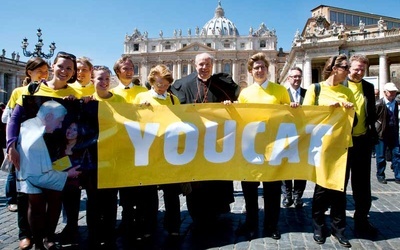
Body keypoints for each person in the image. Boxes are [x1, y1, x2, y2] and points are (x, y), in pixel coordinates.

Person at [7, 51, 81, 249]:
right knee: (35, 200)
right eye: (60, 66)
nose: (64, 71)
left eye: (69, 68)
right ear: (52, 66)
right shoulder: (33, 89)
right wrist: (10, 145)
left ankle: (49, 237)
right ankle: (37, 240)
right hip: (31, 154)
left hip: (58, 154)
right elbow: (14, 119)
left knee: (55, 198)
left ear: (73, 72)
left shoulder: (76, 94)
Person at [170, 52, 240, 227]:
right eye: (201, 64)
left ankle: (216, 211)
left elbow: (242, 100)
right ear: (195, 65)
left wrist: (232, 105)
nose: (204, 67)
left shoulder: (222, 83)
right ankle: (197, 214)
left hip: (217, 142)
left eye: (207, 64)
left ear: (212, 65)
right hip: (193, 144)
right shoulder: (182, 84)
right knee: (196, 182)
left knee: (216, 179)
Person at [235, 52, 295, 240]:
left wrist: (293, 108)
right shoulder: (245, 93)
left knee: (272, 189)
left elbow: (290, 118)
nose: (259, 70)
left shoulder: (280, 90)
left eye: (262, 67)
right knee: (250, 189)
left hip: (273, 146)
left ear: (268, 70)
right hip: (250, 147)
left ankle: (271, 225)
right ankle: (251, 223)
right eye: (256, 68)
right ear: (251, 72)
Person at [303, 54, 355, 248]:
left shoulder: (347, 92)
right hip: (321, 147)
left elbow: (353, 121)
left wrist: (351, 111)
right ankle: (318, 225)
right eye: (345, 67)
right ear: (334, 68)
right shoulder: (315, 90)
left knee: (340, 189)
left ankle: (339, 229)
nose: (348, 71)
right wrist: (325, 110)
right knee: (322, 189)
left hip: (342, 146)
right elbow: (305, 117)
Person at [16, 100, 81, 250]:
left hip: (41, 170)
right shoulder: (35, 141)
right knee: (36, 206)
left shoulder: (29, 124)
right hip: (36, 177)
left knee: (47, 203)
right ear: (50, 116)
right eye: (59, 121)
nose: (60, 126)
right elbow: (38, 178)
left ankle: (45, 239)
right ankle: (39, 243)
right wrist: (68, 175)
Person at [2, 57, 49, 250]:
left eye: (46, 71)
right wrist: (11, 145)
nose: (44, 74)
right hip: (24, 145)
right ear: (29, 72)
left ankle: (44, 232)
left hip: (45, 147)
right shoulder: (18, 92)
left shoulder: (50, 89)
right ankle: (24, 234)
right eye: (40, 71)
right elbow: (8, 119)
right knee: (23, 193)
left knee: (44, 192)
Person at [133, 64, 182, 236]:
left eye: (165, 83)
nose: (162, 86)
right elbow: (132, 120)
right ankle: (148, 226)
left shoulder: (174, 99)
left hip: (168, 150)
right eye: (159, 82)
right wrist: (139, 110)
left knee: (171, 192)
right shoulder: (141, 97)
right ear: (152, 81)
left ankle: (173, 226)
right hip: (148, 150)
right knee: (148, 193)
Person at [110, 56, 151, 240]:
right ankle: (127, 220)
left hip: (143, 143)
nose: (129, 70)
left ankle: (144, 222)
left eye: (131, 67)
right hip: (122, 144)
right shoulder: (111, 93)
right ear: (117, 71)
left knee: (143, 187)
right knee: (125, 187)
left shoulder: (144, 91)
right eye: (125, 68)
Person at [86, 65, 124, 248]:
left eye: (107, 79)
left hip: (113, 156)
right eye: (100, 79)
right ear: (92, 80)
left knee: (110, 198)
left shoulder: (119, 100)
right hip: (93, 157)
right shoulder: (85, 101)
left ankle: (109, 233)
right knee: (93, 199)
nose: (104, 82)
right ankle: (93, 233)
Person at [342, 54, 379, 239]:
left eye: (362, 69)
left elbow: (371, 114)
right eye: (356, 68)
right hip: (342, 143)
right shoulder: (339, 86)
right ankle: (338, 221)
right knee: (340, 183)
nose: (359, 72)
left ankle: (362, 219)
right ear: (348, 68)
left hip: (362, 142)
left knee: (363, 185)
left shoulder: (368, 87)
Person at [281, 67, 307, 208]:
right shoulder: (282, 94)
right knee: (285, 167)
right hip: (284, 136)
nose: (296, 79)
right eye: (294, 77)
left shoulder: (307, 94)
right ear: (288, 78)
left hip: (303, 136)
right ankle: (287, 196)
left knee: (300, 167)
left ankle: (298, 196)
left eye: (299, 76)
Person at [375, 82, 400, 184]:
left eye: (394, 92)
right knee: (381, 156)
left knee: (397, 154)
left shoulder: (395, 103)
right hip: (381, 133)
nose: (393, 93)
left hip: (393, 133)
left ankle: (398, 176)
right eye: (391, 92)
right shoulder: (379, 104)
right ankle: (380, 175)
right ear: (385, 92)